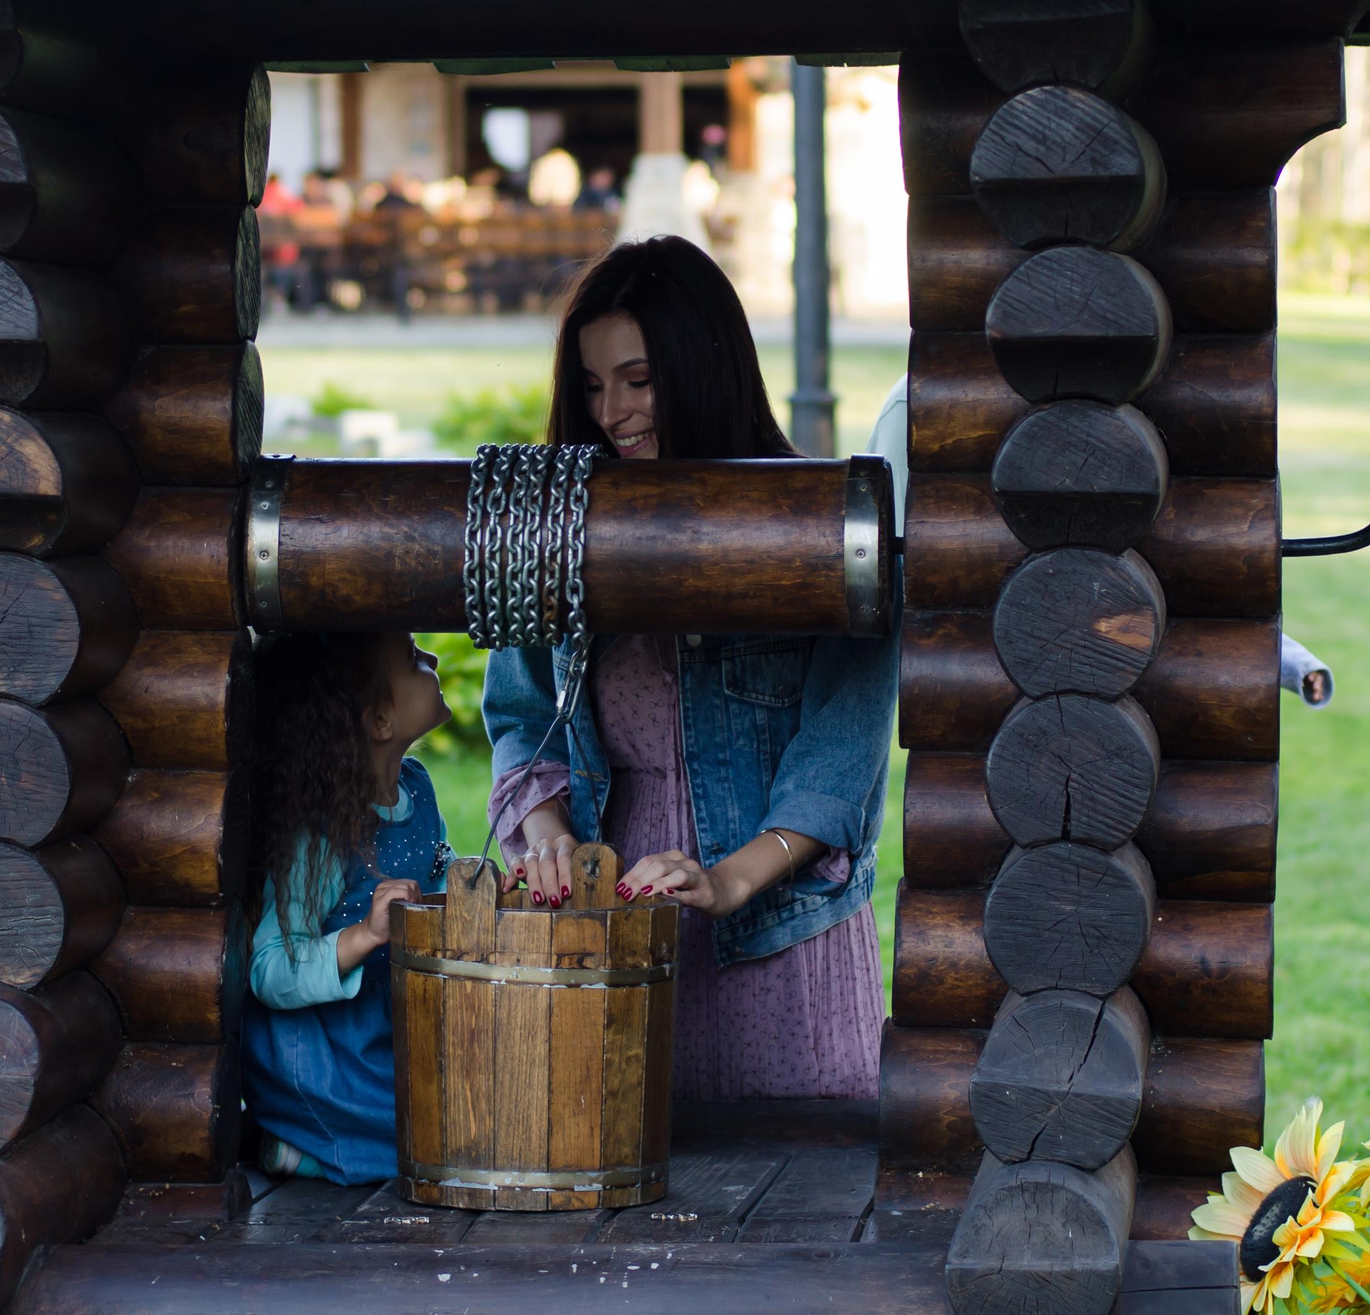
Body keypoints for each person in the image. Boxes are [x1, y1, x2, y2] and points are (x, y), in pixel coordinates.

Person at [484, 236, 897, 1101]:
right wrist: (554, 844)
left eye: (639, 381)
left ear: (704, 368)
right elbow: (523, 715)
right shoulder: (550, 523)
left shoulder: (818, 523)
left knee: (798, 1204)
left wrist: (731, 879)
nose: (612, 413)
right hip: (612, 929)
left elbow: (841, 752)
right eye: (592, 386)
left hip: (780, 932)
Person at [241, 630, 455, 1183]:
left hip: (389, 1031)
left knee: (462, 1117)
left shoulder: (418, 788)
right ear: (379, 720)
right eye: (413, 658)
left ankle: (318, 1149)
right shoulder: (324, 834)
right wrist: (363, 934)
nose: (431, 659)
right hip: (327, 1054)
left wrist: (468, 890)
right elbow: (268, 968)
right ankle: (303, 1144)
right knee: (439, 1140)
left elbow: (434, 871)